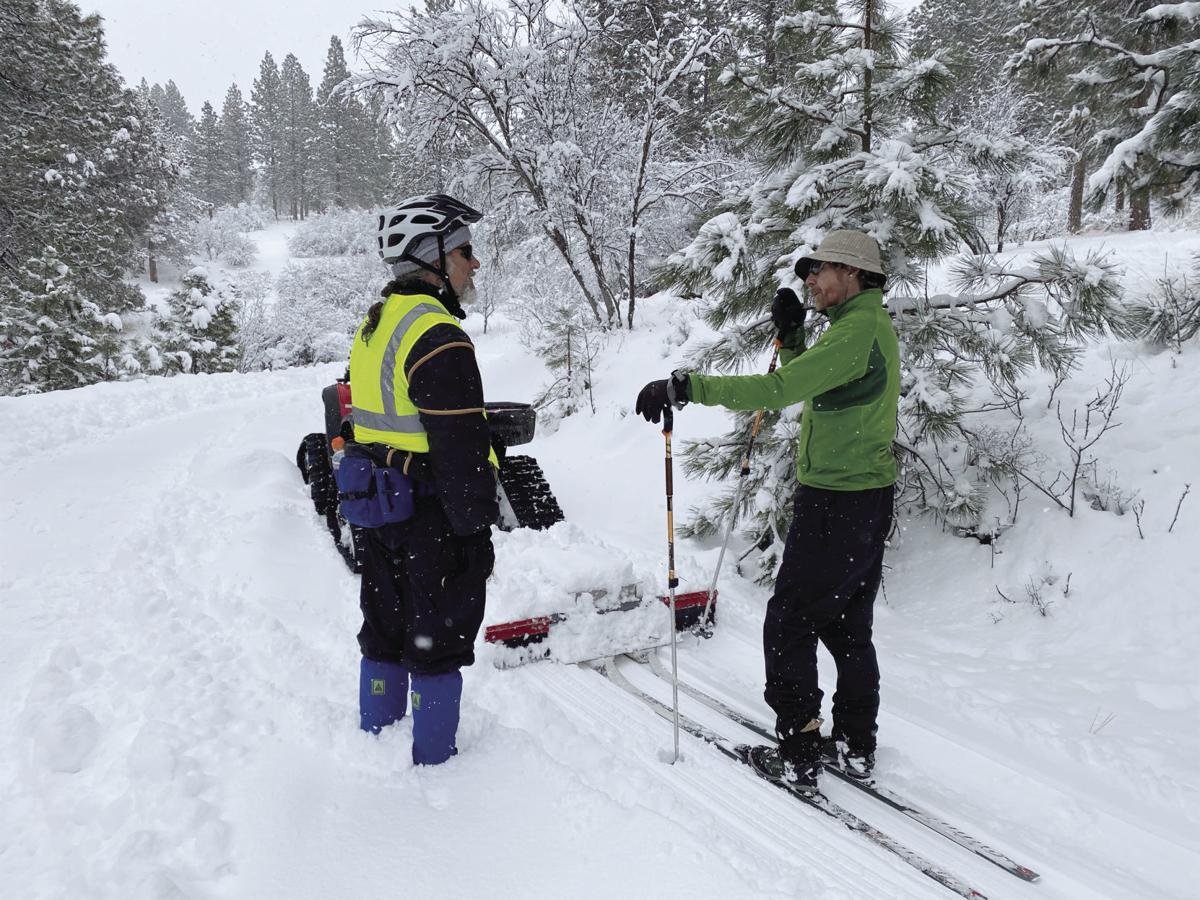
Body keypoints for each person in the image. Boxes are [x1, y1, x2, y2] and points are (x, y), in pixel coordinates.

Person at [635, 230, 899, 793]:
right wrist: (795, 334)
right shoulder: (862, 329)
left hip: (836, 501)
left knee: (789, 621)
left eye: (819, 270)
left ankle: (800, 749)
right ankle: (855, 742)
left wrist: (688, 387)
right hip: (862, 498)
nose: (810, 281)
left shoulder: (857, 332)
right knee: (849, 625)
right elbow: (822, 387)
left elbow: (781, 389)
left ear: (851, 272)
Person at [349, 194, 499, 765]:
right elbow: (460, 451)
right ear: (431, 256)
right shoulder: (439, 335)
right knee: (438, 640)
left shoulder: (376, 323)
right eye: (465, 251)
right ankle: (435, 769)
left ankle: (374, 736)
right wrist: (475, 534)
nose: (473, 264)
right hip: (433, 518)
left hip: (383, 508)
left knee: (385, 627)